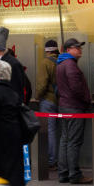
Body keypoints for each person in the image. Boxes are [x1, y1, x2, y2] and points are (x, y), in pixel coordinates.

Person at [56, 38, 93, 184]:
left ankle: (63, 173)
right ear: (68, 50)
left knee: (65, 140)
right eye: (77, 47)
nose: (80, 50)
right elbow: (76, 87)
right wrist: (86, 100)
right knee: (73, 142)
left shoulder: (60, 64)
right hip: (74, 107)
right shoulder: (71, 65)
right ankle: (74, 174)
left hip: (64, 105)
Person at [35, 40, 59, 168]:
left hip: (48, 100)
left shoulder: (45, 63)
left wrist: (37, 96)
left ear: (47, 50)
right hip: (59, 100)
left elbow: (42, 84)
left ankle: (51, 160)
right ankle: (55, 159)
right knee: (56, 131)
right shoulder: (62, 61)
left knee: (49, 131)